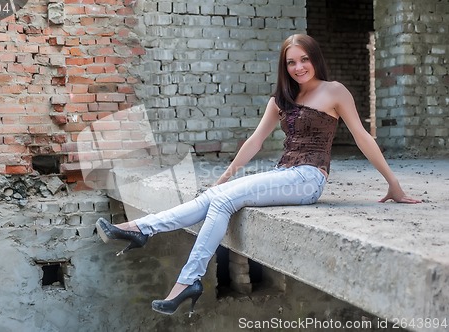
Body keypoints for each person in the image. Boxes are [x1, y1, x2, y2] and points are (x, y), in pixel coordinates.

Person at [95, 33, 421, 316]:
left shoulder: (334, 91)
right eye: (291, 62)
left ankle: (177, 266)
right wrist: (225, 177)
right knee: (217, 197)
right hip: (284, 175)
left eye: (304, 60)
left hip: (308, 178)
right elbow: (255, 141)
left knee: (220, 201)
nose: (298, 68)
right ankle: (145, 233)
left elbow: (363, 137)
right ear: (285, 66)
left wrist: (393, 184)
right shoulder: (281, 99)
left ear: (315, 60)